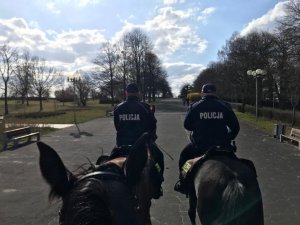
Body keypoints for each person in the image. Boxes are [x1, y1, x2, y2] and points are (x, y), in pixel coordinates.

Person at [174, 83, 240, 194]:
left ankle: (182, 181)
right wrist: (228, 138)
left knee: (184, 158)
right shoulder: (225, 105)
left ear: (202, 93)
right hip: (222, 146)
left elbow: (187, 125)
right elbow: (235, 127)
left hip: (200, 146)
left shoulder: (195, 106)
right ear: (215, 93)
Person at [113, 83, 164, 198]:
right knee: (159, 160)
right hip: (142, 146)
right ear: (137, 93)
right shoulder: (145, 107)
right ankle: (158, 184)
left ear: (126, 92)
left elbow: (117, 126)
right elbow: (151, 126)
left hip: (121, 146)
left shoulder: (118, 107)